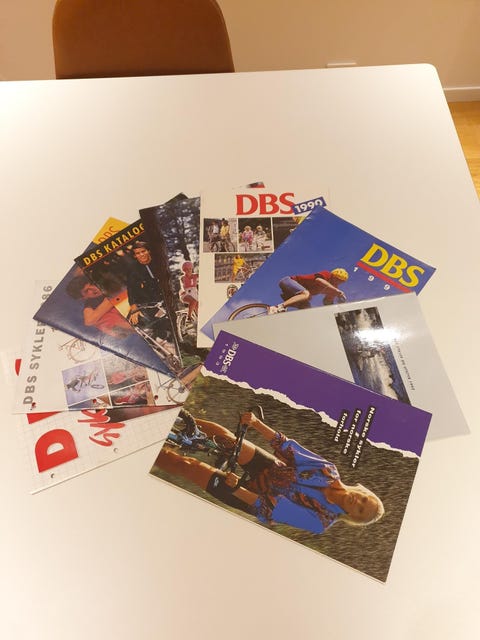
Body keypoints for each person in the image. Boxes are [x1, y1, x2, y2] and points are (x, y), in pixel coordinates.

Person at [157, 409, 384, 535]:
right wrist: (255, 423)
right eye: (364, 499)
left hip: (254, 498)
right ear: (363, 491)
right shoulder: (328, 471)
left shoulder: (321, 521)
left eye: (360, 509)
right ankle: (171, 420)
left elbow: (269, 507)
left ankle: (155, 451)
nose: (358, 501)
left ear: (353, 516)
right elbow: (289, 448)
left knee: (190, 467)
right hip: (271, 469)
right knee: (225, 438)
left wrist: (236, 488)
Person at [126, 241, 176, 356]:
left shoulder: (158, 263)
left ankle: (169, 343)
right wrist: (134, 308)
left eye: (143, 251)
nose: (141, 255)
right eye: (137, 253)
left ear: (148, 251)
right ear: (135, 256)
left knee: (168, 323)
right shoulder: (133, 269)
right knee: (150, 325)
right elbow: (131, 289)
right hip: (148, 302)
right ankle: (161, 347)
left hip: (164, 299)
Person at [66, 274, 133, 338]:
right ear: (83, 298)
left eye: (91, 284)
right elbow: (89, 320)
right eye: (87, 291)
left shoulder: (109, 281)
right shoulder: (93, 309)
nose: (93, 288)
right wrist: (108, 302)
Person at [268, 267, 349, 314]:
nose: (338, 282)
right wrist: (336, 291)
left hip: (293, 294)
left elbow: (327, 302)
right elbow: (319, 280)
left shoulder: (334, 290)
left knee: (307, 310)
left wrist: (338, 306)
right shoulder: (327, 275)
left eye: (341, 281)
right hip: (287, 282)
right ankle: (277, 307)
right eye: (337, 279)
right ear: (333, 276)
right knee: (306, 294)